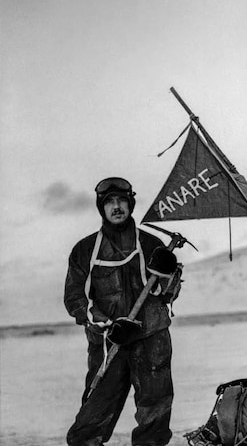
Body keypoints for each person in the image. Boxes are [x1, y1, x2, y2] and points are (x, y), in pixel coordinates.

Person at [64, 177, 180, 446]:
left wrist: (168, 273)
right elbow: (75, 298)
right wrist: (106, 324)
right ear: (101, 208)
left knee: (154, 418)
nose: (117, 207)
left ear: (131, 205)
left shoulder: (152, 244)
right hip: (109, 343)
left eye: (122, 201)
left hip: (152, 340)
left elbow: (167, 294)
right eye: (110, 202)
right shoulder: (84, 250)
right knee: (92, 418)